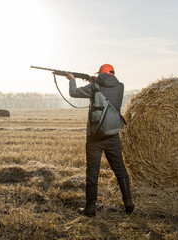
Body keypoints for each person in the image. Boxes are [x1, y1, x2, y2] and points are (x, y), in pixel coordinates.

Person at [66, 64, 134, 217]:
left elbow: (73, 93)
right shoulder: (120, 87)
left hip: (95, 137)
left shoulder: (93, 87)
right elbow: (105, 87)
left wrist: (71, 79)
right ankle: (128, 204)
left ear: (100, 74)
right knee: (120, 169)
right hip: (113, 135)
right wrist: (93, 80)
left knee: (92, 172)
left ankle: (90, 209)